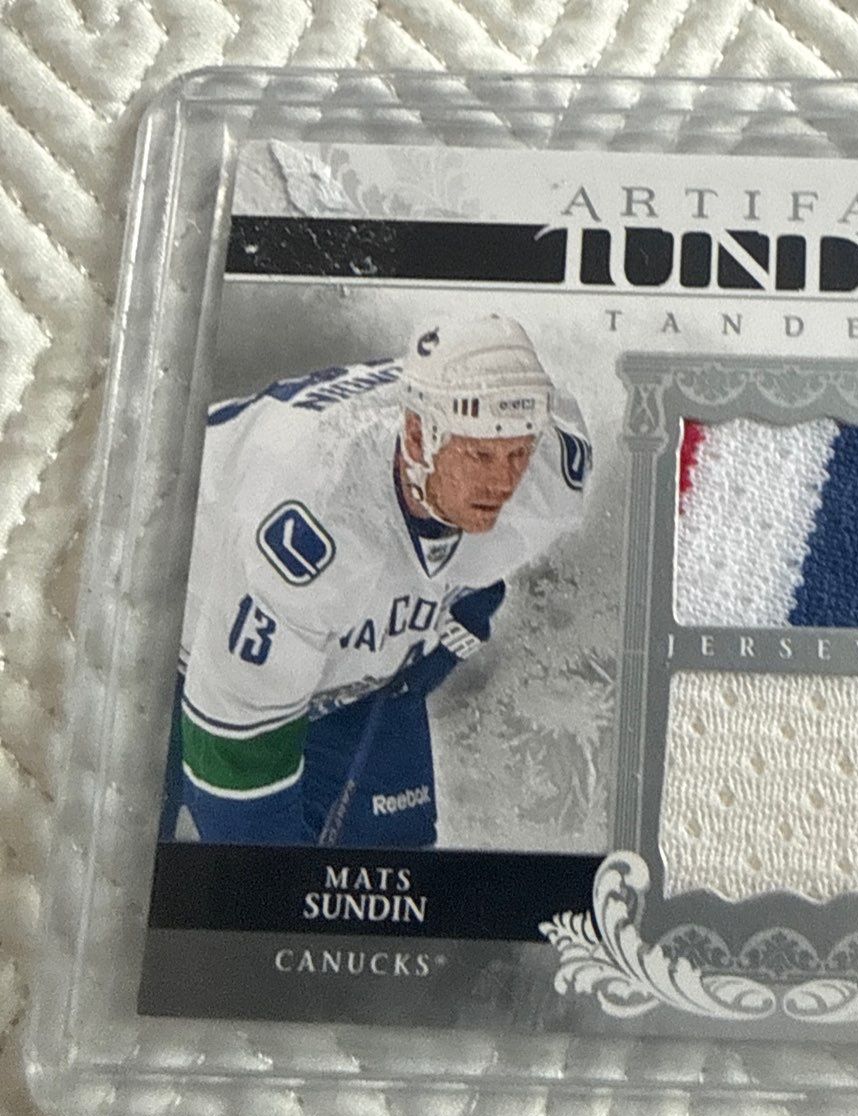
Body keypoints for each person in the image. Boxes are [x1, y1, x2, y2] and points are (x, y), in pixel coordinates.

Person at [163, 314, 590, 847]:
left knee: (391, 868)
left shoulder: (550, 470)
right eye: (480, 454)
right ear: (416, 436)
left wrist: (444, 631)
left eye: (517, 453)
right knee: (154, 861)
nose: (503, 480)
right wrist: (270, 884)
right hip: (176, 624)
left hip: (340, 660)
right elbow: (235, 748)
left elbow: (485, 564)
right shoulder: (315, 518)